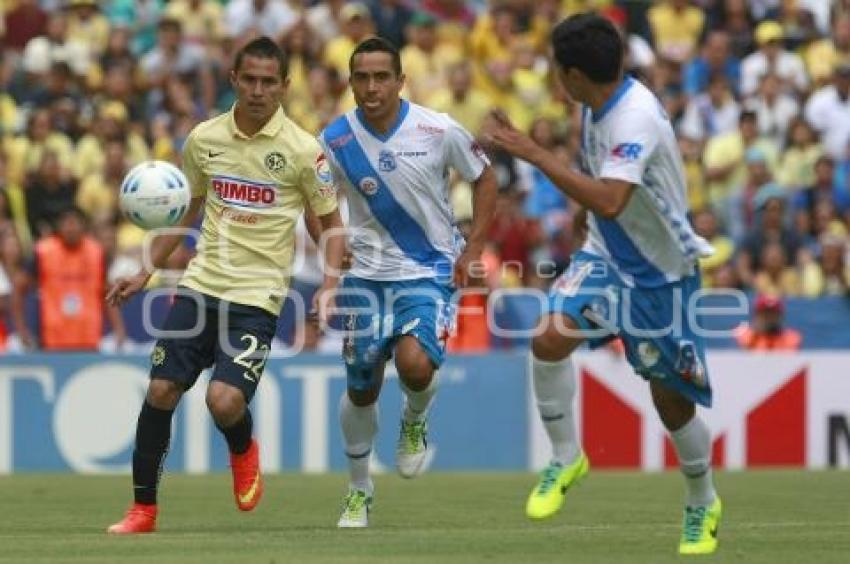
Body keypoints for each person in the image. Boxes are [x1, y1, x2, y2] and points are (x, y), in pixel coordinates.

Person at [482, 14, 722, 556]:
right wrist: (584, 219)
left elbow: (612, 197)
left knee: (671, 402)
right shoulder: (598, 102)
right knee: (547, 338)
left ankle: (702, 499)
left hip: (660, 276)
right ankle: (568, 456)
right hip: (609, 256)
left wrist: (533, 152)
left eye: (555, 70)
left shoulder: (632, 117)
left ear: (572, 74)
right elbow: (610, 204)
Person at [105, 36, 345, 534]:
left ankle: (243, 448)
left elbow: (330, 222)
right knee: (162, 388)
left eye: (268, 82)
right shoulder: (204, 138)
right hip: (199, 286)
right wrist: (145, 271)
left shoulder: (304, 150)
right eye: (249, 79)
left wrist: (330, 284)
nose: (258, 91)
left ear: (284, 85)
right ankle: (142, 510)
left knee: (224, 401)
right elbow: (185, 209)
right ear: (234, 79)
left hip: (258, 297)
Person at [318, 37, 497, 528]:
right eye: (362, 77)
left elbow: (484, 177)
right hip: (365, 276)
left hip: (429, 269)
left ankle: (414, 421)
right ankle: (359, 490)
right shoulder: (334, 140)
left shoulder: (437, 129)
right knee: (362, 386)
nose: (372, 87)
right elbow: (320, 204)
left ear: (401, 81)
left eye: (382, 77)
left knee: (415, 366)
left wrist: (475, 249)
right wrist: (334, 248)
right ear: (351, 82)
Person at [735, 294, 802, 350]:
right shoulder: (745, 336)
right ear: (756, 315)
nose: (769, 318)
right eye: (765, 314)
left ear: (780, 316)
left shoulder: (791, 338)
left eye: (773, 314)